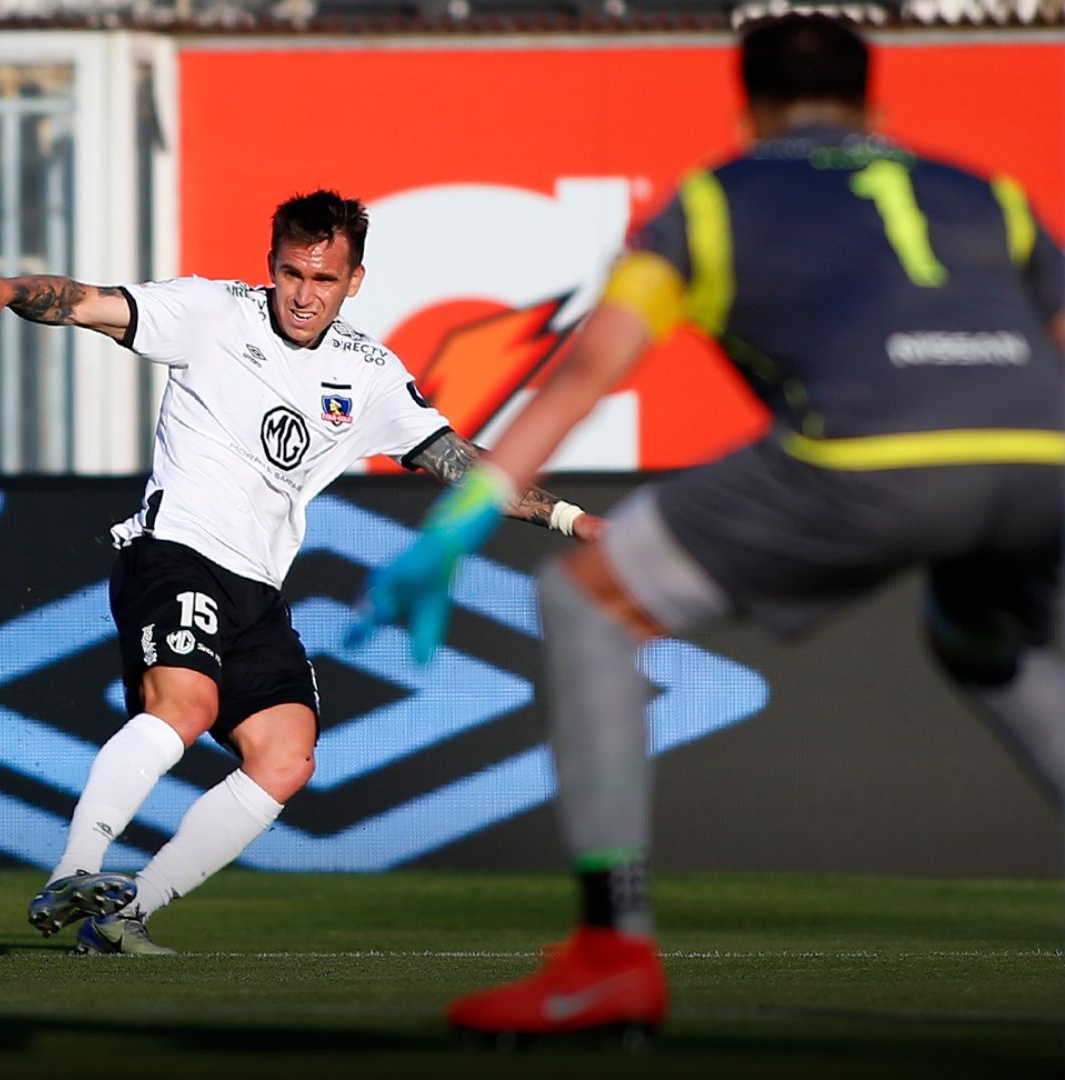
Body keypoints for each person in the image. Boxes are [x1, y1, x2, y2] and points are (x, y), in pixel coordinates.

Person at [355, 14, 1065, 1039]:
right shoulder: (988, 193)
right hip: (1043, 454)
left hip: (873, 455)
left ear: (748, 112)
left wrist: (455, 525)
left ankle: (612, 955)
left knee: (587, 601)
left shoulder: (713, 201)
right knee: (986, 639)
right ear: (877, 108)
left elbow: (587, 373)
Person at [0, 190, 605, 954]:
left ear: (354, 281)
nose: (304, 294)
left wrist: (574, 521)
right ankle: (74, 870)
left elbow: (461, 464)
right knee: (186, 705)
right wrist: (7, 289)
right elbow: (83, 302)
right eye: (292, 273)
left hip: (257, 590)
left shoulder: (369, 372)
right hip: (175, 551)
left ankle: (125, 915)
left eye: (323, 279)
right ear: (271, 266)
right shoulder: (211, 313)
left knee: (287, 756)